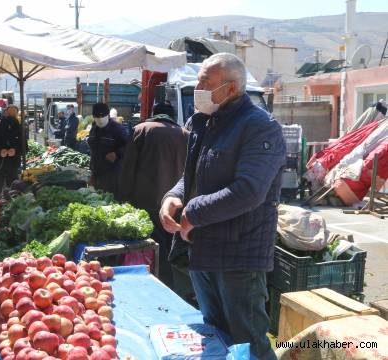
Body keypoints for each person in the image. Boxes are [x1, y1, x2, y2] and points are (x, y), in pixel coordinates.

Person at [159, 53, 286, 360]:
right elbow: (193, 176)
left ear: (230, 88)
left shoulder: (260, 127)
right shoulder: (206, 123)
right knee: (215, 334)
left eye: (205, 81)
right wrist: (173, 197)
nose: (197, 87)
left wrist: (193, 212)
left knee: (248, 340)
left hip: (239, 257)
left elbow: (248, 191)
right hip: (204, 251)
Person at [118, 103, 187, 288]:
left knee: (145, 245)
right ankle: (168, 284)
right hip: (174, 203)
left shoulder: (141, 130)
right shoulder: (184, 134)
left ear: (153, 114)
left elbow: (128, 167)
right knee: (168, 246)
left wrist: (122, 198)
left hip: (144, 200)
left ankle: (144, 281)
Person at [87, 102, 128, 195]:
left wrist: (117, 153)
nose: (100, 119)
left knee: (111, 202)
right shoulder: (93, 129)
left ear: (108, 115)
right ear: (93, 116)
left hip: (113, 175)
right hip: (97, 174)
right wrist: (93, 175)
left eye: (103, 116)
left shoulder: (118, 129)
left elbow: (129, 147)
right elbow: (94, 153)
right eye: (97, 116)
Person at [0, 104, 23, 201]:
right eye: (9, 113)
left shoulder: (20, 129)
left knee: (14, 192)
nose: (11, 116)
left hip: (13, 166)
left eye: (13, 114)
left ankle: (12, 211)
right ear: (5, 113)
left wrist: (15, 151)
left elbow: (25, 148)